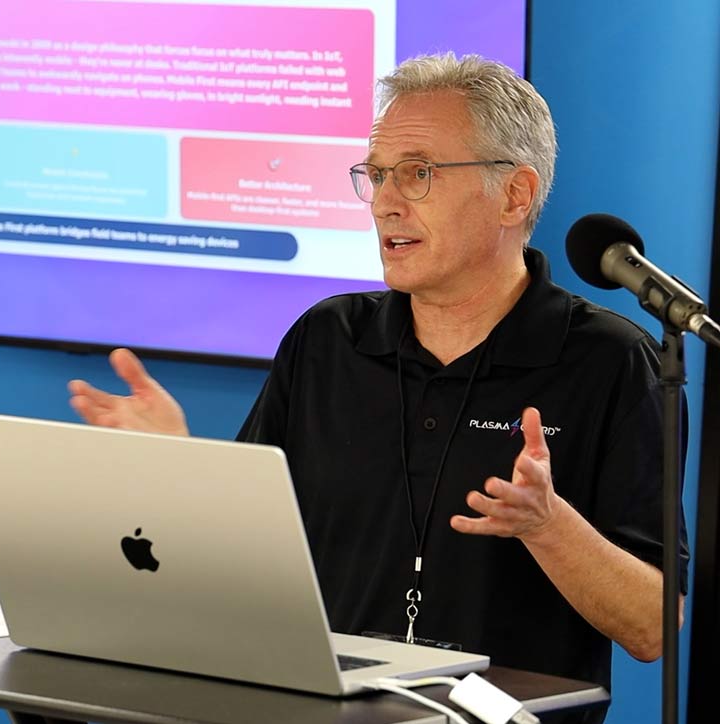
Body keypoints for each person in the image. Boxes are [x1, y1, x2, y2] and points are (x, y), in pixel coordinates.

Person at [69, 54, 689, 723]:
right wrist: (180, 462)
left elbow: (652, 628)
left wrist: (548, 526)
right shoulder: (329, 339)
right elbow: (245, 559)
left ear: (514, 194)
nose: (386, 202)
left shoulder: (610, 362)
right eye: (377, 174)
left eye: (418, 173)